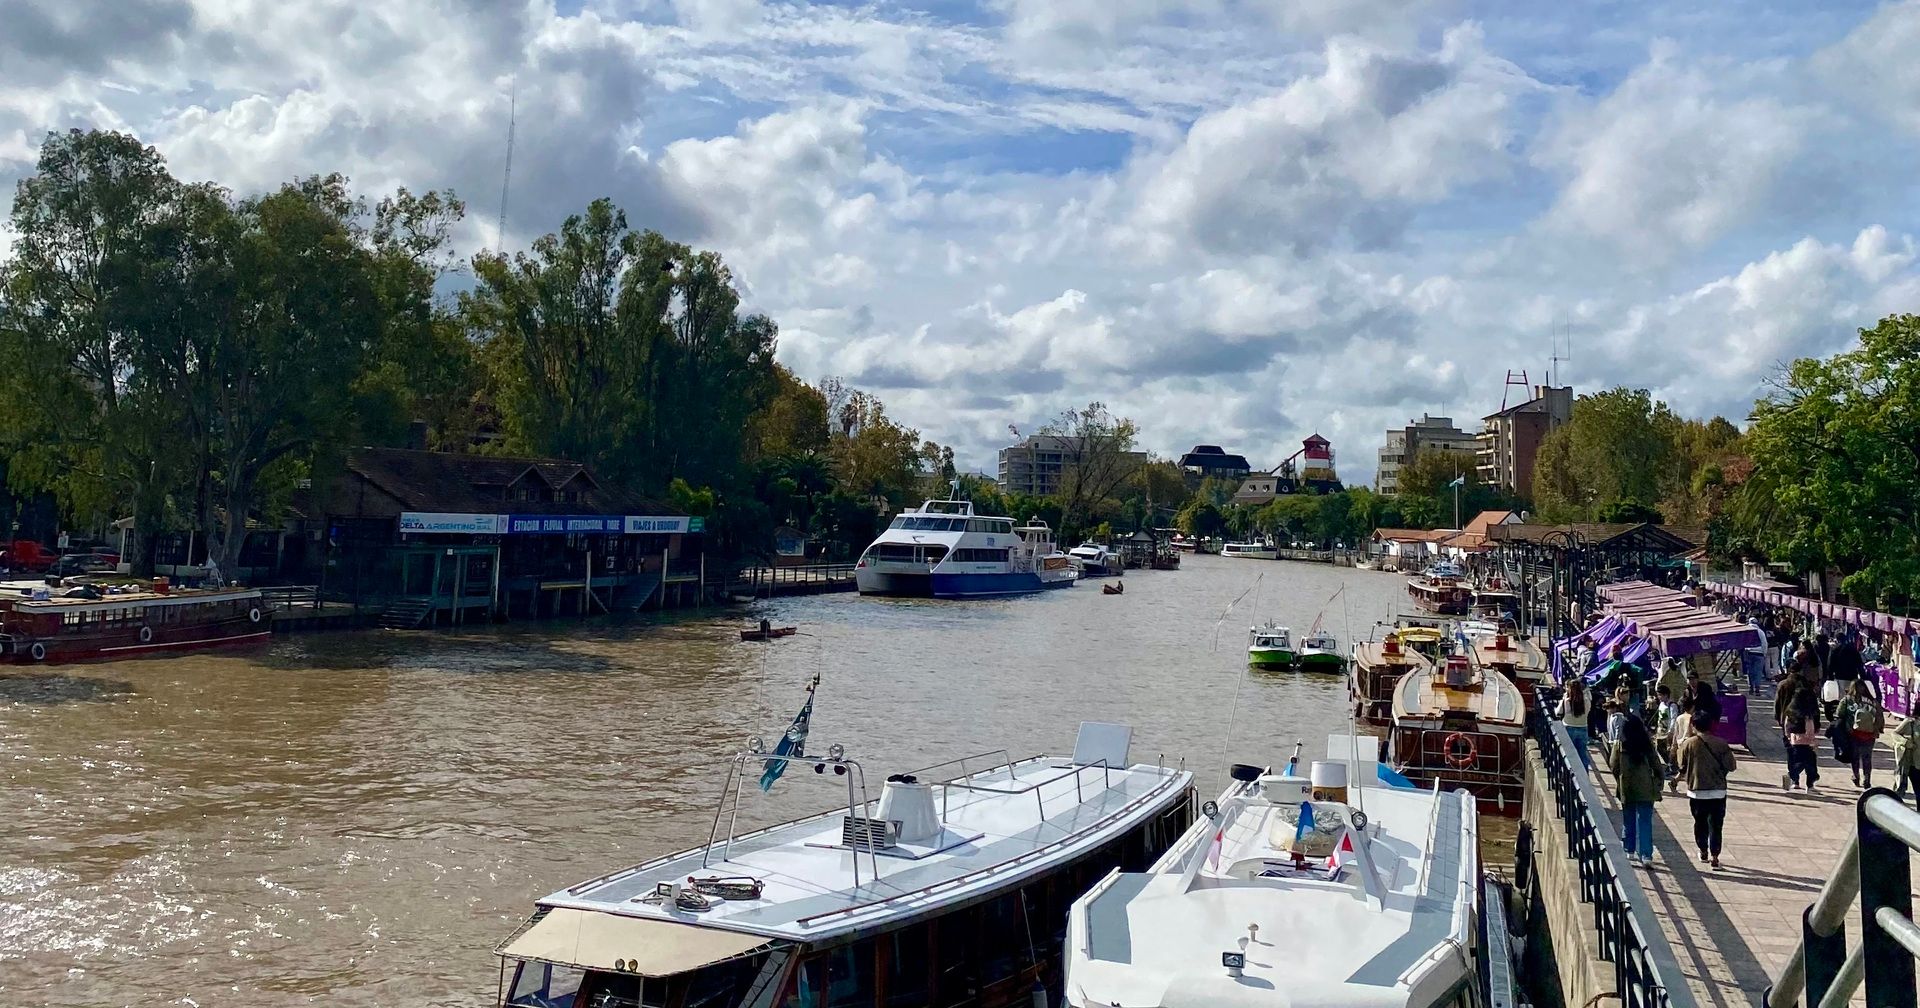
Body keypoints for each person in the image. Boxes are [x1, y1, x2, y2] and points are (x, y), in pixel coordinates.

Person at [1676, 709, 1737, 868]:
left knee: (1700, 822)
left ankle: (1703, 850)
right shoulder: (1721, 743)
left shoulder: (1688, 743)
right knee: (1716, 825)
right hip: (1718, 791)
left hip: (1697, 791)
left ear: (1694, 725)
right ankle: (1715, 855)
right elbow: (1731, 766)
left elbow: (1681, 763)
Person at [1610, 714, 1663, 866]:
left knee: (1628, 818)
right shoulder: (1646, 744)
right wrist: (1659, 781)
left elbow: (1613, 765)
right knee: (1645, 820)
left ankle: (1629, 850)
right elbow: (1656, 764)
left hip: (1627, 785)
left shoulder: (1619, 745)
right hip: (1646, 786)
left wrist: (1619, 778)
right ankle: (1646, 854)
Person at [1837, 679, 1885, 788]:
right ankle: (1867, 779)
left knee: (1855, 756)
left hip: (1853, 733)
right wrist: (1877, 730)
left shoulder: (1847, 700)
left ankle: (1856, 776)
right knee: (1867, 757)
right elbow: (1879, 716)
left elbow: (1839, 713)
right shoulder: (1872, 701)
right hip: (1869, 734)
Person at [1784, 692, 1820, 792]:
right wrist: (1812, 741)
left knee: (1798, 761)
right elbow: (1809, 728)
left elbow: (1786, 726)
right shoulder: (1806, 714)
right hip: (1805, 741)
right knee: (1809, 763)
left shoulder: (1790, 712)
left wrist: (1788, 736)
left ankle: (1794, 778)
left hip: (1794, 740)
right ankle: (1809, 784)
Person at [1559, 682, 1592, 771]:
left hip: (1568, 727)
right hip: (1583, 727)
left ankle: (1567, 775)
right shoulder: (1586, 700)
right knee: (1582, 754)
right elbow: (1588, 711)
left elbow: (1558, 711)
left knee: (1568, 754)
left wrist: (1563, 698)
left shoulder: (1567, 701)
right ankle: (1584, 775)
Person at [1895, 713, 1920, 808]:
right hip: (1914, 764)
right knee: (1919, 792)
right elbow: (1895, 733)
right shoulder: (1910, 722)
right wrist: (1905, 742)